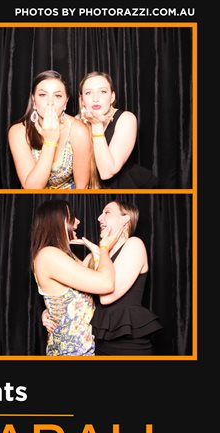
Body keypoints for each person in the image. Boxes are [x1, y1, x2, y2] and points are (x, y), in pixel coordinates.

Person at [43, 200, 163, 354]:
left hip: (128, 344)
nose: (99, 218)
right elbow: (72, 292)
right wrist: (50, 311)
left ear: (125, 219)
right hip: (98, 342)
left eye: (107, 212)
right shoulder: (95, 256)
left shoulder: (134, 244)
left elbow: (107, 297)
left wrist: (101, 250)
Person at [31, 199, 125, 355]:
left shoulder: (68, 257)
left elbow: (89, 280)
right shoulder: (48, 254)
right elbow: (106, 283)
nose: (78, 222)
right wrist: (103, 248)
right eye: (72, 217)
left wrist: (97, 250)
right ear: (58, 221)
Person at [9, 70, 93, 189]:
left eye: (57, 96)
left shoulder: (78, 131)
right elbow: (32, 189)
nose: (50, 102)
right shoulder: (19, 132)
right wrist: (50, 142)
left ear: (66, 102)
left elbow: (82, 187)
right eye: (42, 95)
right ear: (33, 100)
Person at [77, 71, 157, 189]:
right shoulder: (76, 123)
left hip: (127, 188)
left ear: (112, 97)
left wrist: (97, 125)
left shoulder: (126, 119)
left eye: (103, 91)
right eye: (88, 93)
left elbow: (106, 172)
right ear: (82, 100)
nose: (95, 98)